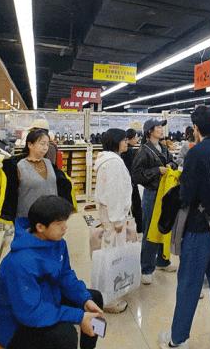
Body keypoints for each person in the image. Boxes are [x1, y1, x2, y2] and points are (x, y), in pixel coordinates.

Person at [159, 106, 210, 349]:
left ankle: (178, 339)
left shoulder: (195, 154)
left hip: (197, 228)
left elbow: (187, 194)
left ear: (196, 128)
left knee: (189, 284)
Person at [0, 195, 104, 349]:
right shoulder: (20, 262)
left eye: (65, 222)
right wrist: (78, 316)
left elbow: (65, 275)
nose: (65, 228)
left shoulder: (58, 243)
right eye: (59, 224)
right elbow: (30, 312)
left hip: (48, 299)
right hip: (18, 325)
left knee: (94, 298)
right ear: (40, 227)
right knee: (66, 335)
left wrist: (84, 299)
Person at [131, 119, 178, 284]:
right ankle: (146, 268)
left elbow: (173, 161)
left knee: (164, 226)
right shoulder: (143, 151)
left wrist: (170, 166)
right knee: (150, 230)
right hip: (152, 195)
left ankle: (162, 261)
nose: (161, 129)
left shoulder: (163, 148)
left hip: (165, 193)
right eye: (158, 127)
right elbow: (136, 175)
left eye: (161, 127)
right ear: (150, 131)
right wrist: (157, 170)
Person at [94, 128, 133, 313]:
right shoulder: (114, 163)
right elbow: (114, 193)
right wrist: (118, 220)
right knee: (113, 256)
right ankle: (109, 299)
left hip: (108, 214)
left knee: (109, 252)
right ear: (115, 141)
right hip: (113, 217)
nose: (126, 142)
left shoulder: (108, 160)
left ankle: (107, 293)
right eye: (123, 140)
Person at [0, 128, 73, 222]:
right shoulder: (18, 166)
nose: (45, 147)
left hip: (51, 217)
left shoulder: (49, 163)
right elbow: (8, 192)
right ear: (30, 145)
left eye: (47, 144)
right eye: (42, 144)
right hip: (27, 218)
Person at [121, 128, 143, 233]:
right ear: (132, 138)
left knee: (129, 204)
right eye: (136, 138)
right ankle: (139, 228)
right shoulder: (130, 151)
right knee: (136, 204)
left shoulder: (124, 151)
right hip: (131, 181)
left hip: (126, 181)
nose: (137, 140)